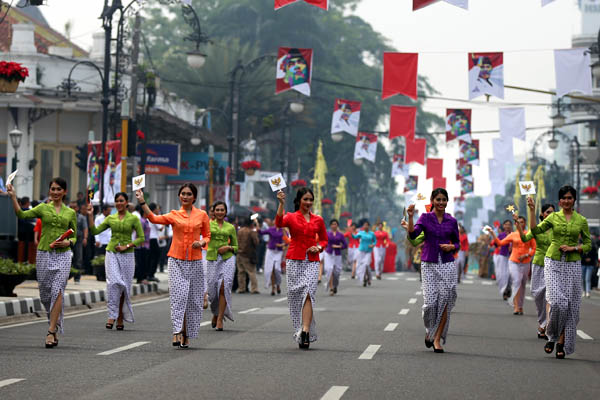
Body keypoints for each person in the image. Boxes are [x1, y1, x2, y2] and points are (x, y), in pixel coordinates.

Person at [136, 184, 210, 349]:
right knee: (178, 297)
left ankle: (187, 333)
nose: (185, 196)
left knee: (192, 300)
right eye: (182, 194)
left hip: (196, 261)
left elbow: (208, 235)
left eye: (189, 194)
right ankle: (176, 331)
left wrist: (202, 242)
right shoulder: (174, 215)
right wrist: (142, 201)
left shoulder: (202, 215)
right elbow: (154, 218)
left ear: (194, 197)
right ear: (179, 196)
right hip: (176, 260)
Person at [7, 178, 77, 348]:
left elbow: (75, 235)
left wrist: (69, 243)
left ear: (64, 192)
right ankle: (53, 320)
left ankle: (51, 331)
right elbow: (22, 215)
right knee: (45, 294)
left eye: (58, 189)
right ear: (49, 191)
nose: (55, 192)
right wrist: (13, 197)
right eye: (52, 189)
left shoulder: (70, 213)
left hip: (63, 255)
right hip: (44, 253)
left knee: (58, 289)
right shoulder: (42, 208)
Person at [526, 187, 591, 358]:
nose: (567, 201)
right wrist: (532, 211)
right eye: (564, 198)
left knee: (570, 307)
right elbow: (534, 231)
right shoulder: (553, 217)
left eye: (570, 198)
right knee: (557, 302)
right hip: (553, 261)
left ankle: (561, 342)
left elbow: (588, 245)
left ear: (574, 200)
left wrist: (574, 248)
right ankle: (552, 335)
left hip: (573, 264)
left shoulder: (581, 220)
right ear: (560, 201)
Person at [407, 188, 459, 354]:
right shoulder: (425, 217)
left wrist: (452, 246)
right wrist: (410, 216)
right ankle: (430, 329)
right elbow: (413, 234)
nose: (441, 203)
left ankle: (437, 339)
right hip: (428, 263)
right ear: (432, 200)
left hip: (447, 264)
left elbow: (457, 243)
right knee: (430, 304)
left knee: (445, 301)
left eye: (444, 199)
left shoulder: (451, 221)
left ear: (447, 201)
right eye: (438, 199)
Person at [276, 187, 327, 349]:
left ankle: (305, 331)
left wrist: (318, 248)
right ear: (299, 201)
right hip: (294, 259)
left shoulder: (318, 219)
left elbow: (324, 240)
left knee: (308, 293)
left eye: (311, 199)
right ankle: (301, 328)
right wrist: (281, 203)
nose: (308, 202)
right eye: (305, 199)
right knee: (295, 296)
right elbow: (278, 223)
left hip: (311, 260)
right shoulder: (291, 217)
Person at [86, 192, 144, 330]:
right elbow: (94, 231)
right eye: (116, 201)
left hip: (128, 255)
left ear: (127, 202)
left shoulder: (133, 219)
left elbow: (141, 238)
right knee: (114, 283)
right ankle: (111, 315)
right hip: (111, 252)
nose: (118, 203)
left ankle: (120, 317)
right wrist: (90, 215)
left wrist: (127, 246)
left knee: (124, 286)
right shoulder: (111, 218)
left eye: (121, 201)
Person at [518, 203, 555, 339]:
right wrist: (519, 227)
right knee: (538, 293)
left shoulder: (557, 228)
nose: (550, 214)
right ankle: (542, 321)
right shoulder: (538, 229)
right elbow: (524, 238)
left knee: (550, 296)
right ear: (542, 215)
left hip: (554, 264)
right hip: (539, 264)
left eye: (552, 212)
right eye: (547, 212)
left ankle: (547, 325)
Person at [488, 215, 536, 315]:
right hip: (513, 261)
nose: (520, 224)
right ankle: (516, 306)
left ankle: (520, 306)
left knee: (522, 284)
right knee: (517, 281)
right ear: (515, 224)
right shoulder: (513, 235)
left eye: (522, 222)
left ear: (525, 223)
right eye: (518, 222)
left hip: (526, 262)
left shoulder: (529, 234)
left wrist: (527, 255)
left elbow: (534, 248)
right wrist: (493, 233)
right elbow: (500, 243)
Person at [206, 201, 238, 331]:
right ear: (213, 212)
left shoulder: (230, 227)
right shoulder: (207, 225)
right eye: (217, 210)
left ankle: (220, 318)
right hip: (212, 259)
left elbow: (236, 247)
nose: (219, 212)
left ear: (225, 212)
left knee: (224, 287)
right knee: (213, 292)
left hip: (227, 258)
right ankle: (215, 312)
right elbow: (203, 238)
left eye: (222, 210)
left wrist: (228, 247)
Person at [258, 219, 287, 295]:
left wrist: (281, 245)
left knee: (277, 269)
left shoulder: (283, 230)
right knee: (270, 269)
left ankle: (278, 285)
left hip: (279, 252)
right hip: (270, 251)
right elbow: (261, 232)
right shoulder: (271, 229)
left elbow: (287, 242)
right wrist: (258, 226)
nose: (276, 223)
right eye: (275, 221)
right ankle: (273, 288)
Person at [323, 219, 347, 295]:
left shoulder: (340, 235)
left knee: (337, 272)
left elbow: (345, 245)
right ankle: (331, 288)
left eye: (335, 224)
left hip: (337, 254)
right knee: (329, 269)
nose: (334, 225)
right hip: (329, 254)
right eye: (332, 224)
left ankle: (335, 285)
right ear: (330, 226)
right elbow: (324, 242)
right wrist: (329, 246)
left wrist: (340, 246)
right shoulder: (327, 234)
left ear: (337, 225)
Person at [236, 217, 259, 294]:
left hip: (239, 253)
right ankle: (254, 288)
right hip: (248, 254)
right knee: (251, 272)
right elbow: (256, 242)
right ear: (251, 224)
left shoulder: (239, 231)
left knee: (241, 272)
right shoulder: (251, 231)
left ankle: (241, 288)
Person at [69, 200, 88, 283]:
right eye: (71, 207)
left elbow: (85, 228)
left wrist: (85, 238)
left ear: (77, 208)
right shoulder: (66, 216)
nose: (73, 209)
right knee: (67, 258)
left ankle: (77, 278)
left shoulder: (81, 217)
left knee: (78, 259)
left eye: (74, 207)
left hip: (79, 240)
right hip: (68, 240)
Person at [352, 220, 376, 287]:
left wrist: (373, 245)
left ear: (369, 226)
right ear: (363, 226)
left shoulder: (372, 234)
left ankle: (368, 277)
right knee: (361, 266)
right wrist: (352, 232)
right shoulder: (361, 233)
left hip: (368, 252)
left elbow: (375, 241)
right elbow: (355, 237)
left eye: (367, 225)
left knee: (366, 265)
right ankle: (365, 278)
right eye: (364, 225)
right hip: (361, 251)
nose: (365, 226)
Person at [493, 220, 513, 300]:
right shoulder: (501, 235)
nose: (507, 226)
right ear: (503, 226)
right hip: (503, 256)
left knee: (510, 275)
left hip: (512, 257)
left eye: (509, 224)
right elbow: (495, 243)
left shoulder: (514, 234)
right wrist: (500, 245)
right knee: (503, 275)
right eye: (506, 224)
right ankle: (504, 291)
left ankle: (508, 290)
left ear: (511, 226)